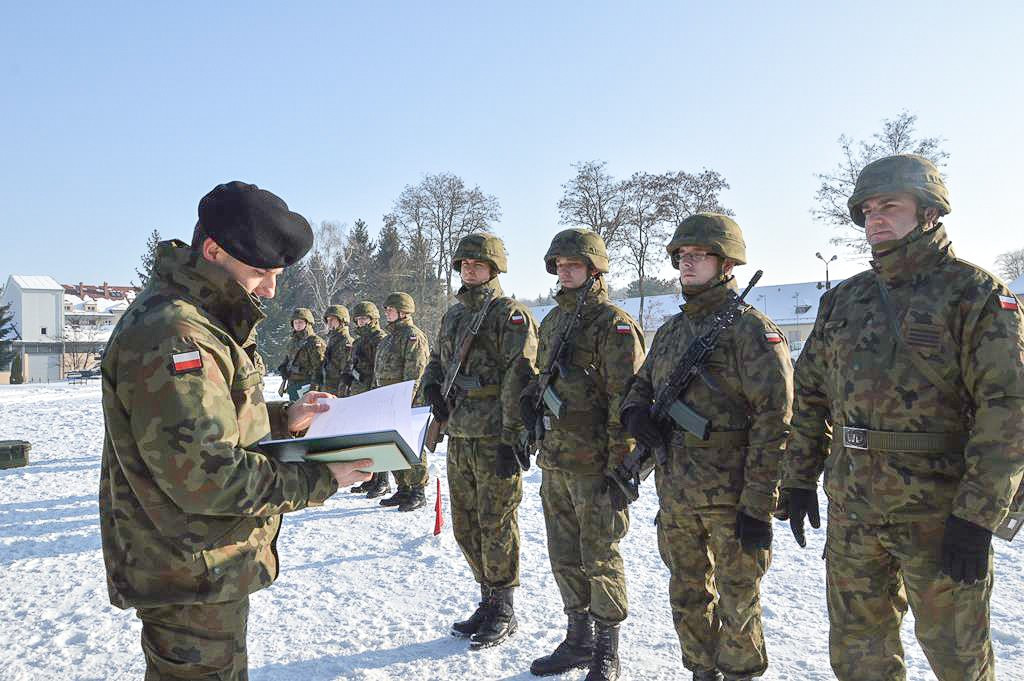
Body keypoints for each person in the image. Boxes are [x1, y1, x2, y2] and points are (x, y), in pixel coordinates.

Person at [98, 181, 371, 681]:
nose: (270, 289)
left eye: (277, 275)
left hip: (203, 563)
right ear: (213, 251)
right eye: (260, 273)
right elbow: (207, 474)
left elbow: (202, 423)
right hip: (188, 570)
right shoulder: (177, 334)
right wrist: (320, 478)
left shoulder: (199, 318)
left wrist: (281, 419)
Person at [782, 154, 1024, 681]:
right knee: (858, 657)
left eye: (889, 205)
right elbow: (811, 397)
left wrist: (978, 515)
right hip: (853, 510)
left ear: (930, 211)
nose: (875, 219)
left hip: (938, 514)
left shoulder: (976, 295)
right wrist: (798, 477)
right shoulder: (844, 300)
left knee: (958, 658)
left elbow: (1007, 410)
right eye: (867, 209)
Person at [620, 214, 793, 681]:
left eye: (698, 256)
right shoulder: (675, 330)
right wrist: (635, 414)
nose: (686, 264)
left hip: (732, 496)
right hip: (677, 493)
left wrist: (759, 505)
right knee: (687, 593)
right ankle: (700, 670)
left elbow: (776, 421)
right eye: (682, 257)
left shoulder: (751, 330)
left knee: (739, 604)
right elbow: (641, 383)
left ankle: (737, 675)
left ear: (726, 262)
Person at [522, 229, 645, 681]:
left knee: (600, 555)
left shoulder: (613, 325)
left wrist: (622, 463)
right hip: (555, 460)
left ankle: (606, 648)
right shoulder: (553, 321)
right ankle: (578, 638)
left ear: (595, 269)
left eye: (573, 264)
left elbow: (626, 400)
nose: (564, 271)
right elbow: (543, 378)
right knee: (563, 553)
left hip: (596, 464)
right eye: (559, 265)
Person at [420, 232, 538, 648]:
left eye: (478, 264)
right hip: (460, 432)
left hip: (494, 435)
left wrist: (513, 437)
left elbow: (520, 376)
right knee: (466, 524)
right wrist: (432, 388)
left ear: (494, 268)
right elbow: (437, 359)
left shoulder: (509, 314)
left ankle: (504, 606)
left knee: (497, 522)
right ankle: (486, 599)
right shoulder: (453, 316)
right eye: (464, 264)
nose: (469, 270)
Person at [372, 292, 431, 512]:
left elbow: (415, 371)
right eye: (386, 309)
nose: (386, 312)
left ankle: (418, 489)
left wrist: (405, 398)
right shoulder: (389, 338)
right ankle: (403, 487)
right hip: (387, 398)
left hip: (407, 399)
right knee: (393, 444)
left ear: (403, 311)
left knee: (411, 443)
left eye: (390, 309)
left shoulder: (412, 336)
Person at [343, 300, 390, 497]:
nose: (361, 322)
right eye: (359, 319)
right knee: (364, 439)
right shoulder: (358, 341)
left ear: (373, 319)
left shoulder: (380, 339)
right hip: (358, 392)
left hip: (373, 392)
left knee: (377, 437)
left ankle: (383, 480)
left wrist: (373, 388)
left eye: (364, 318)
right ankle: (369, 478)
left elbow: (380, 367)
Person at [277, 307, 325, 401]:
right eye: (295, 322)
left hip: (306, 384)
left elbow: (318, 368)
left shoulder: (314, 342)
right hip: (292, 384)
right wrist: (283, 368)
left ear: (307, 323)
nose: (297, 325)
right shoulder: (292, 342)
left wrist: (314, 389)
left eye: (300, 322)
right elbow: (288, 359)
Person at [319, 304, 354, 395]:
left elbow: (346, 371)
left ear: (341, 320)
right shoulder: (332, 339)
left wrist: (342, 393)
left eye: (332, 319)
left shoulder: (346, 341)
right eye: (328, 320)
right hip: (328, 386)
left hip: (338, 388)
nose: (329, 322)